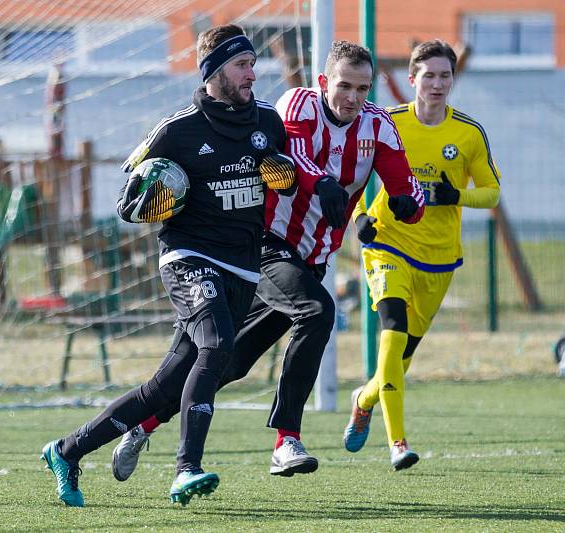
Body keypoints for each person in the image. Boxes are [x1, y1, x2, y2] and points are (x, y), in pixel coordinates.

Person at [110, 40, 425, 482]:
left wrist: (409, 204)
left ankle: (144, 424)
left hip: (312, 259)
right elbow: (289, 155)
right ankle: (286, 440)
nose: (353, 97)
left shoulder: (378, 125)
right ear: (323, 83)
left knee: (232, 362)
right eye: (344, 86)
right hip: (266, 246)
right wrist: (321, 184)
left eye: (363, 88)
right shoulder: (297, 106)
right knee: (318, 312)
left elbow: (403, 180)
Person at [41, 24, 296, 507]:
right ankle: (186, 469)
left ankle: (66, 450)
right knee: (218, 345)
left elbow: (280, 180)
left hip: (243, 267)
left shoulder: (267, 120)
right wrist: (158, 200)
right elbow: (127, 201)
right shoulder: (175, 130)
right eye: (243, 65)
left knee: (165, 387)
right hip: (190, 258)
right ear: (215, 70)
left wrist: (282, 175)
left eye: (252, 65)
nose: (252, 74)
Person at [343, 39, 501, 470]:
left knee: (400, 360)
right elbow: (351, 175)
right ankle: (398, 444)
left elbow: (492, 193)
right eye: (428, 75)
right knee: (391, 333)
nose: (437, 83)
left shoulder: (467, 133)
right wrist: (358, 217)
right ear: (411, 79)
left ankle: (364, 398)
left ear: (452, 79)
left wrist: (456, 196)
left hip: (438, 258)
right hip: (387, 244)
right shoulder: (385, 122)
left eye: (444, 75)